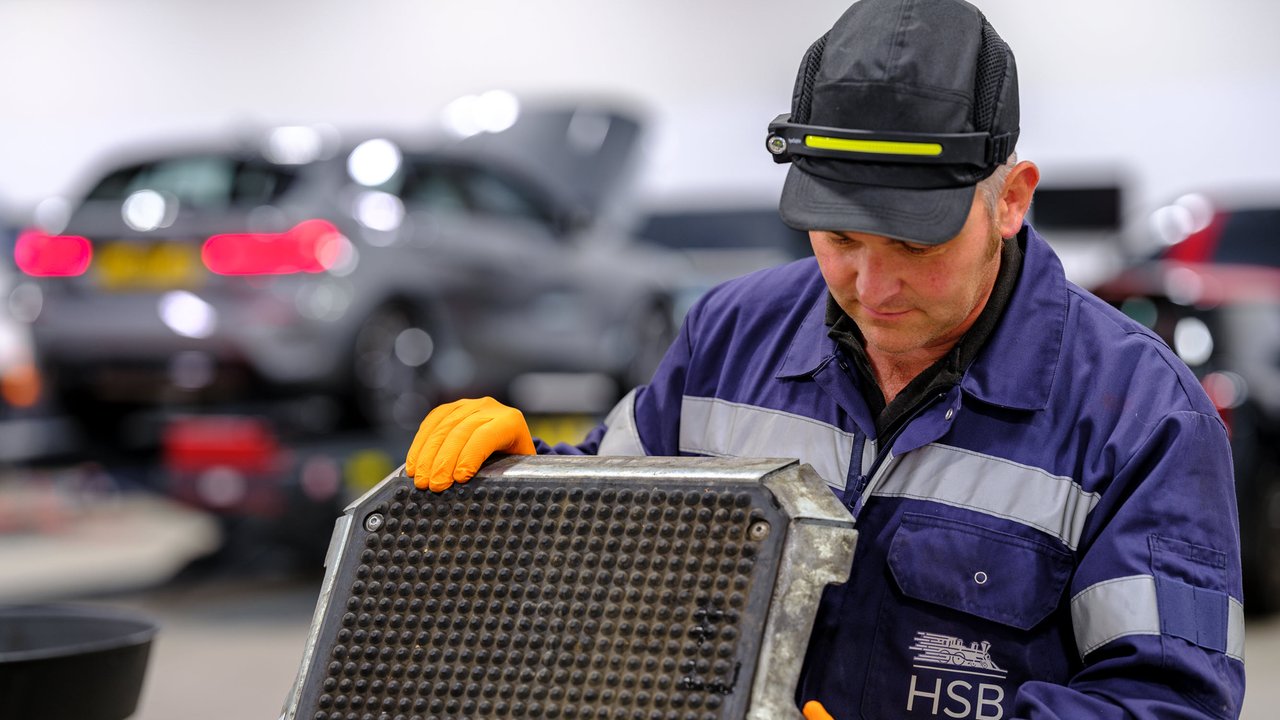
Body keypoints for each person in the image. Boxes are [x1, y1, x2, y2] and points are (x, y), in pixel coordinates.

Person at [404, 0, 1247, 717]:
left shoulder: (1140, 416)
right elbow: (612, 524)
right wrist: (523, 489)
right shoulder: (728, 338)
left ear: (1011, 200)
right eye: (839, 237)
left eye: (915, 244)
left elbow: (1168, 701)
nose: (871, 284)